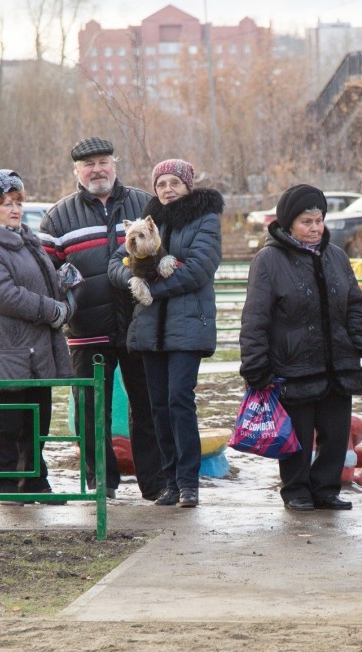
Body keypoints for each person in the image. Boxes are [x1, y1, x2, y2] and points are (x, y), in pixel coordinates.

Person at [40, 137, 167, 501]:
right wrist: (68, 301)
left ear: (115, 163)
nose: (97, 170)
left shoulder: (145, 203)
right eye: (88, 164)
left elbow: (166, 250)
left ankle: (154, 482)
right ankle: (101, 481)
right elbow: (47, 271)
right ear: (76, 171)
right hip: (86, 330)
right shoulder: (58, 215)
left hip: (140, 325)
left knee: (146, 405)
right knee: (90, 408)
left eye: (103, 162)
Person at [238, 184, 362, 511]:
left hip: (337, 362)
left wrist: (357, 335)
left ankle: (327, 489)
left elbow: (354, 301)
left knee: (335, 432)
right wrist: (256, 365)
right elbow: (255, 316)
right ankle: (296, 490)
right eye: (307, 222)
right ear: (288, 224)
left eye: (319, 221)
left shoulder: (336, 256)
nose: (315, 228)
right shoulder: (269, 260)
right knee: (296, 435)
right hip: (291, 364)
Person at [109, 159, 223, 508]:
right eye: (161, 184)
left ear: (188, 185)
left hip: (187, 327)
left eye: (175, 182)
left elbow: (199, 269)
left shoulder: (205, 219)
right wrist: (132, 279)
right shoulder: (146, 221)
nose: (167, 189)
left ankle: (189, 482)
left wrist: (150, 289)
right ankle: (169, 481)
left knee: (179, 401)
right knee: (157, 406)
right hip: (149, 330)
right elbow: (117, 264)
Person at [0, 170, 73, 504]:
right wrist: (50, 309)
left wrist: (64, 284)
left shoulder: (27, 240)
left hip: (37, 346)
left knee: (37, 419)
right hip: (7, 347)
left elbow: (38, 282)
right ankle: (6, 484)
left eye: (17, 202)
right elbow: (2, 295)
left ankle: (35, 482)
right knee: (9, 420)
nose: (14, 209)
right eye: (5, 204)